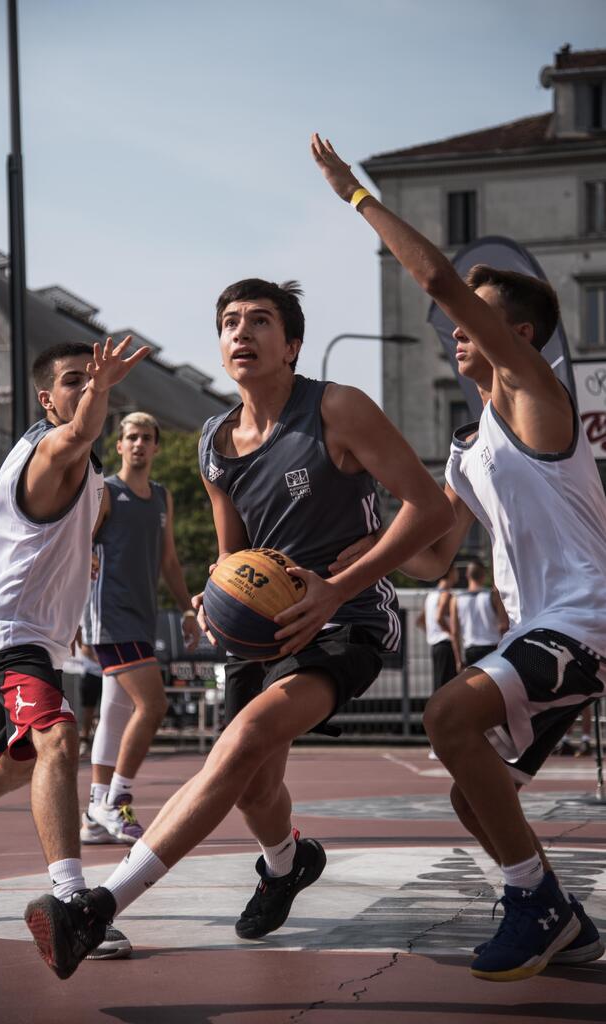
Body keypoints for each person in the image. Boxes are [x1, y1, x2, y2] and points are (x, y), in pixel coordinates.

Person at [23, 275, 454, 978]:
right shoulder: (213, 442)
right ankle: (286, 863)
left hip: (344, 619)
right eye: (229, 322)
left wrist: (337, 587)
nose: (241, 332)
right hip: (261, 628)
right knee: (253, 786)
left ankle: (98, 907)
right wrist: (214, 593)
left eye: (259, 320)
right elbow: (234, 552)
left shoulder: (337, 408)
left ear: (291, 345)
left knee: (244, 738)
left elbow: (429, 510)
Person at [309, 134, 606, 981]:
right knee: (473, 796)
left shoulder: (538, 392)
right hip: (547, 629)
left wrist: (356, 195)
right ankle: (567, 921)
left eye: (471, 317)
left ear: (517, 334)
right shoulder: (470, 446)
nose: (450, 328)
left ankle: (534, 904)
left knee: (446, 717)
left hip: (587, 617)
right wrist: (347, 564)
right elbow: (435, 553)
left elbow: (438, 281)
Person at [0, 337, 149, 970]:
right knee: (58, 736)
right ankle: (73, 901)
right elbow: (77, 436)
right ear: (46, 400)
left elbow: (70, 533)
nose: (89, 385)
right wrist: (100, 393)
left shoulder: (88, 472)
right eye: (75, 380)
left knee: (14, 763)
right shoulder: (51, 450)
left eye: (94, 379)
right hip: (9, 634)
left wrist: (71, 590)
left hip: (38, 636)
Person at [80, 411, 200, 845]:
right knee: (153, 705)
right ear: (119, 445)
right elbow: (79, 544)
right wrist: (74, 610)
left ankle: (94, 814)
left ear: (156, 447)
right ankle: (116, 800)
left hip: (142, 616)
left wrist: (188, 610)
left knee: (115, 712)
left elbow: (169, 560)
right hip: (110, 614)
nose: (138, 444)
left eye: (146, 437)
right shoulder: (107, 492)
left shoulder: (162, 496)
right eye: (131, 437)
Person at [416, 565, 458, 759]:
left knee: (439, 691)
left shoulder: (430, 595)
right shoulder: (445, 595)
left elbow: (420, 621)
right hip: (445, 645)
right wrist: (451, 634)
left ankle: (438, 743)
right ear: (451, 573)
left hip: (435, 645)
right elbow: (440, 616)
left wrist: (431, 634)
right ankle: (439, 744)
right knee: (446, 695)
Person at [450, 561, 508, 670]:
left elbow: (454, 632)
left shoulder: (456, 599)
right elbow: (503, 625)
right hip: (492, 648)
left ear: (467, 575)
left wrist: (458, 660)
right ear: (483, 575)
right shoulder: (492, 595)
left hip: (470, 650)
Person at [76, 641, 103, 758]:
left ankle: (103, 741)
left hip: (109, 675)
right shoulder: (89, 629)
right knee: (88, 710)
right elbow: (85, 648)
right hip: (91, 674)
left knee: (108, 710)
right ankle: (84, 741)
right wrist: (104, 661)